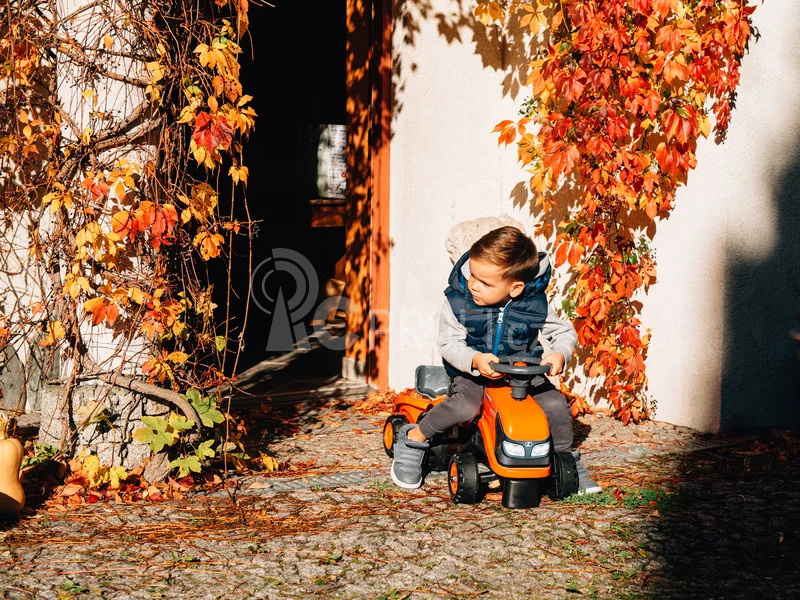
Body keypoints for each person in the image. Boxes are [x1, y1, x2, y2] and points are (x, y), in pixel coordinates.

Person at [390, 225, 601, 494]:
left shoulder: (534, 303)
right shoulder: (458, 301)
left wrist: (559, 353)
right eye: (473, 275)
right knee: (465, 407)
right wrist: (475, 359)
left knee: (555, 405)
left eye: (485, 282)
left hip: (523, 371)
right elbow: (449, 344)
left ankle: (565, 459)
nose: (473, 285)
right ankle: (414, 438)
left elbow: (562, 331)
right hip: (472, 372)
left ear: (515, 288)